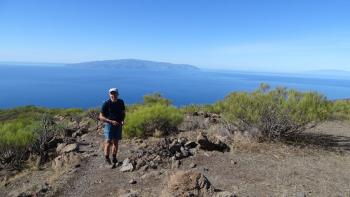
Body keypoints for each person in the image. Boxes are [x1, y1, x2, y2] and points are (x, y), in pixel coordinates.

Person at [99, 88, 126, 166]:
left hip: (118, 125)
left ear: (117, 94)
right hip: (109, 125)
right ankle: (107, 158)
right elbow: (100, 116)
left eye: (115, 93)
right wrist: (110, 121)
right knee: (108, 141)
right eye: (111, 94)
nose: (113, 95)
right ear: (109, 94)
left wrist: (122, 120)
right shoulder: (106, 104)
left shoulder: (121, 102)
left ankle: (114, 157)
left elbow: (123, 112)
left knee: (116, 142)